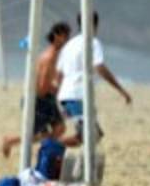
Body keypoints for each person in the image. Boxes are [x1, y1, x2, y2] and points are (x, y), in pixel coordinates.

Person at [56, 12, 131, 148]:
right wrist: (121, 90)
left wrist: (57, 96)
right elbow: (99, 67)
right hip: (78, 96)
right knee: (91, 135)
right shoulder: (93, 42)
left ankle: (53, 147)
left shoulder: (69, 45)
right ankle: (50, 145)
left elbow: (59, 74)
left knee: (91, 135)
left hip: (65, 96)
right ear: (95, 25)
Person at [1, 22, 71, 157]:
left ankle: (46, 151)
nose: (67, 39)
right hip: (38, 100)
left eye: (68, 36)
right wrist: (59, 91)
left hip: (45, 99)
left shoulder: (53, 55)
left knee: (59, 128)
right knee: (38, 134)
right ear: (56, 36)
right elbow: (43, 86)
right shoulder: (50, 57)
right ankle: (11, 140)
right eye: (65, 36)